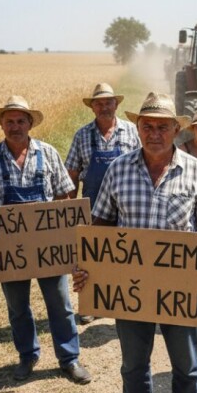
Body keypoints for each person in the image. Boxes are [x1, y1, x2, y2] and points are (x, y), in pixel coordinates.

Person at [71, 93, 197, 393]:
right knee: (134, 364)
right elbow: (99, 226)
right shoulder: (119, 169)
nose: (154, 133)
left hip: (182, 290)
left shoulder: (195, 171)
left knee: (187, 364)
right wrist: (85, 266)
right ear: (138, 128)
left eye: (162, 126)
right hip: (131, 289)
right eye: (147, 126)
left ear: (176, 130)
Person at [0, 95, 91, 384]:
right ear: (1, 124)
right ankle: (27, 355)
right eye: (9, 121)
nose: (15, 126)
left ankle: (69, 358)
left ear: (30, 123)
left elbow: (63, 196)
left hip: (48, 246)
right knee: (18, 307)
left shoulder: (47, 153)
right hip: (9, 249)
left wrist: (67, 237)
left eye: (20, 120)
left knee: (60, 302)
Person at [65, 82, 140, 324]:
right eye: (99, 103)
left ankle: (125, 301)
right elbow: (73, 175)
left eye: (108, 102)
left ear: (116, 104)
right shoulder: (82, 135)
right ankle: (91, 304)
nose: (104, 106)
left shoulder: (132, 132)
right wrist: (70, 211)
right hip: (92, 204)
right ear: (92, 107)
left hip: (127, 204)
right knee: (91, 256)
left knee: (126, 254)